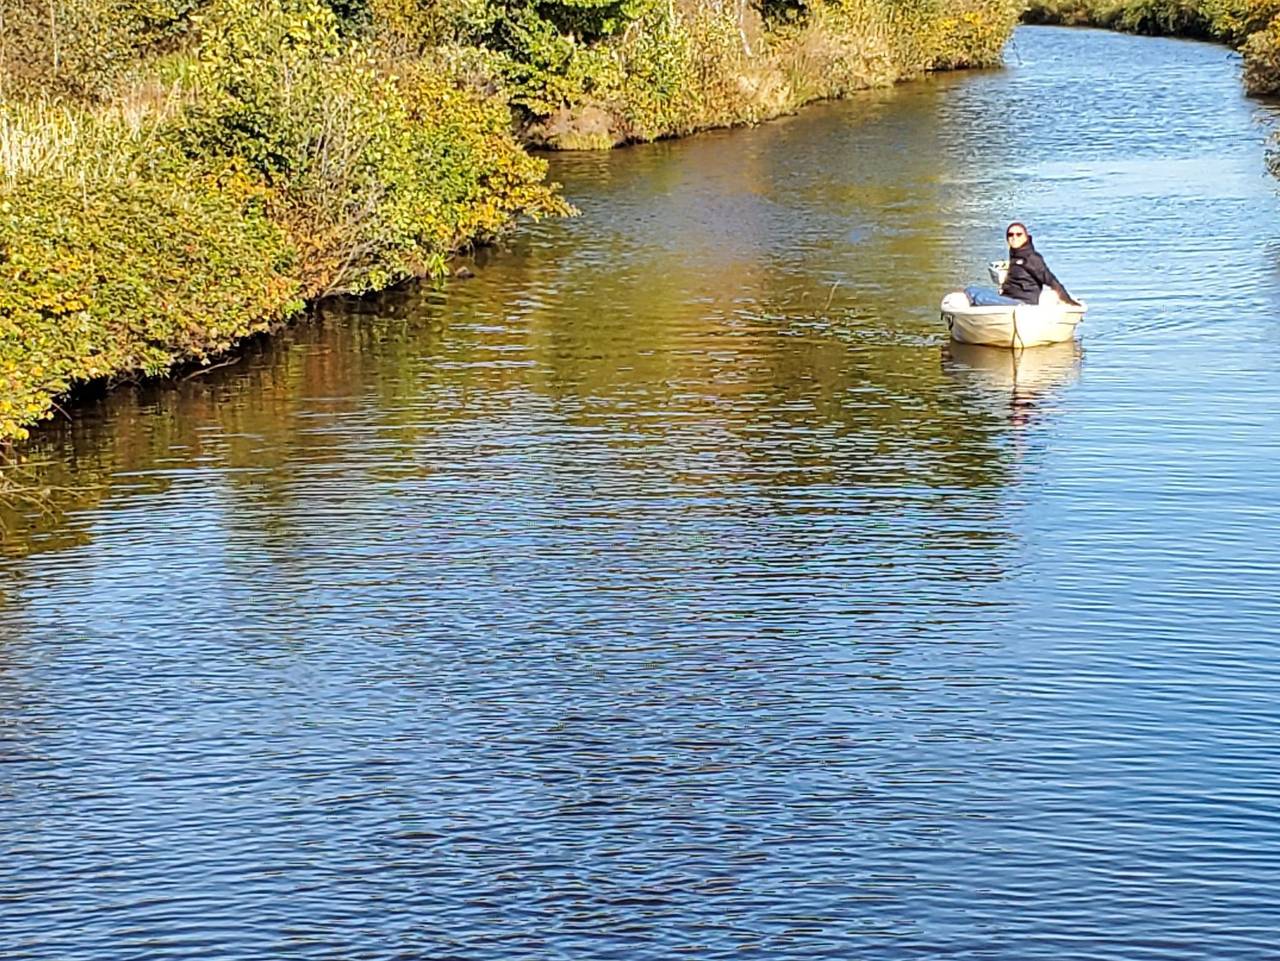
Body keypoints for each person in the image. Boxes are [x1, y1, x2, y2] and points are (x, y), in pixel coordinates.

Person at [965, 222, 1079, 307]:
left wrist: (1068, 300)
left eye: (1019, 234)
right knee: (971, 290)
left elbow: (1050, 280)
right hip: (1007, 298)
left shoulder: (1031, 258)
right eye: (1011, 235)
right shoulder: (1015, 255)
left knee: (979, 297)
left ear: (1026, 237)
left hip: (1023, 303)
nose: (1014, 237)